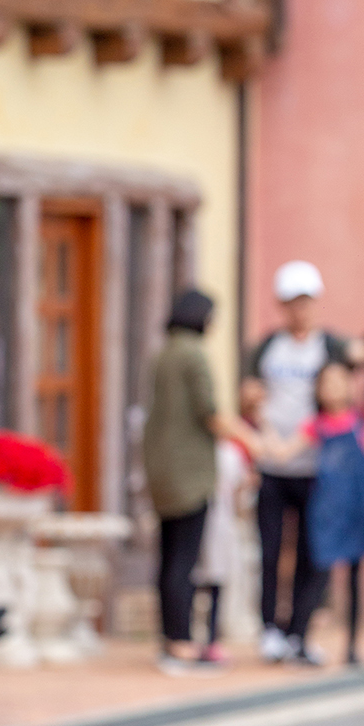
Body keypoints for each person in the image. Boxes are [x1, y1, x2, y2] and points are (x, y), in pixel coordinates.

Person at [254, 346, 364, 666]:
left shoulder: (362, 417)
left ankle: (353, 646)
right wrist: (263, 420)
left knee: (356, 576)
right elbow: (282, 453)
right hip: (327, 510)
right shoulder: (316, 425)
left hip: (357, 507)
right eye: (325, 382)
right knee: (318, 575)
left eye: (338, 381)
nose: (332, 388)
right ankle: (298, 638)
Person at [246, 261, 359, 666]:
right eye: (293, 303)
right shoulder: (266, 348)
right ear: (282, 305)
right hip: (274, 466)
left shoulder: (329, 347)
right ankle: (270, 630)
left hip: (317, 468)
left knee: (315, 554)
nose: (301, 310)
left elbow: (356, 369)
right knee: (271, 552)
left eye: (307, 302)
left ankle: (299, 632)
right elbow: (248, 394)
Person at [142, 289, 243, 675]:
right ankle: (183, 644)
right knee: (184, 561)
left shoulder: (163, 353)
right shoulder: (194, 354)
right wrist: (254, 441)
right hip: (190, 472)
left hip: (161, 469)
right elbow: (210, 413)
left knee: (168, 558)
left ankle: (170, 639)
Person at [190, 378, 263, 664]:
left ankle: (213, 636)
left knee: (221, 578)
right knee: (198, 577)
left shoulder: (232, 451)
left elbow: (240, 488)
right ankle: (198, 635)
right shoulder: (202, 451)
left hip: (225, 523)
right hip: (203, 520)